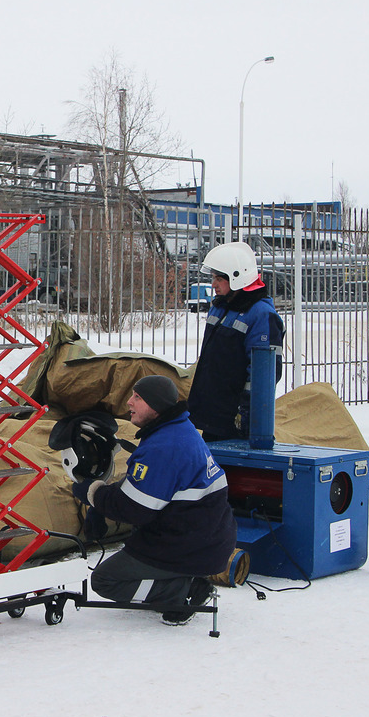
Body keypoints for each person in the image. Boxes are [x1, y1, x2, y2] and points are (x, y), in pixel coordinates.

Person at [71, 375, 236, 625]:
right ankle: (186, 581)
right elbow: (145, 490)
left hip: (188, 546)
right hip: (208, 537)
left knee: (105, 580)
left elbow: (134, 508)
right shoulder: (180, 429)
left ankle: (181, 594)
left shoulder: (162, 447)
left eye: (138, 397)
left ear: (156, 406)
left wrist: (92, 492)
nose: (129, 403)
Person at [187, 241, 285, 442]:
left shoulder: (262, 316)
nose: (213, 284)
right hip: (214, 418)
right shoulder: (221, 307)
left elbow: (264, 375)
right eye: (213, 278)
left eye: (219, 279)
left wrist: (246, 416)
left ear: (238, 279)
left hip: (237, 424)